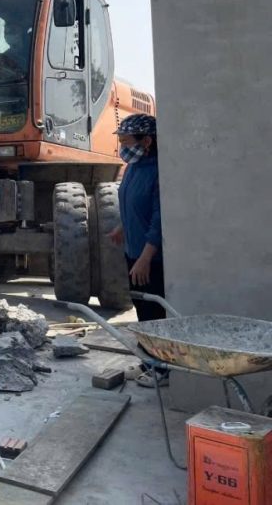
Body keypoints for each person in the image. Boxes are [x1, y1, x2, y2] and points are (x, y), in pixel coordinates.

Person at [107, 113, 165, 387]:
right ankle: (148, 362)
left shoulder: (158, 172)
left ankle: (163, 371)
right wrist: (122, 226)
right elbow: (130, 202)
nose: (122, 146)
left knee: (155, 315)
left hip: (150, 258)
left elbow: (159, 218)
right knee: (141, 311)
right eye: (121, 141)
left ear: (148, 141)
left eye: (127, 141)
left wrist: (145, 257)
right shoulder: (133, 167)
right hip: (133, 250)